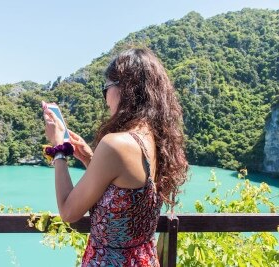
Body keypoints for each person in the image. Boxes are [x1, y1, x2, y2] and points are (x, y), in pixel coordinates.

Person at [43, 48, 188, 266]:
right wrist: (91, 160)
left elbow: (68, 211)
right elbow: (127, 194)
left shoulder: (116, 145)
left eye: (106, 88)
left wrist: (59, 150)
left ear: (125, 89)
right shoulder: (160, 143)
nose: (106, 99)